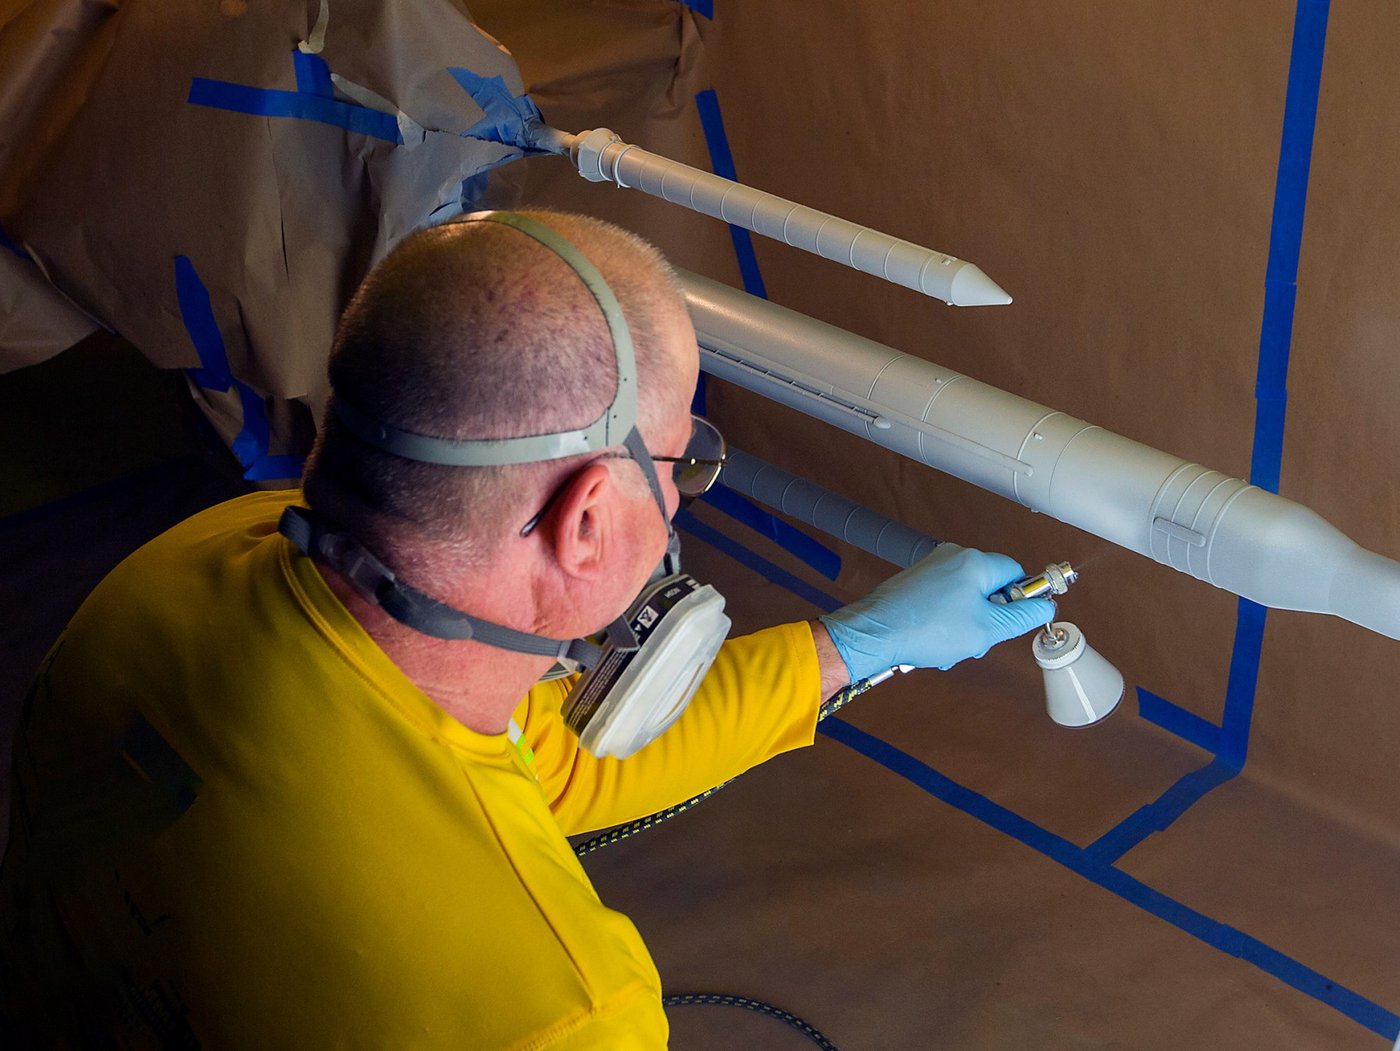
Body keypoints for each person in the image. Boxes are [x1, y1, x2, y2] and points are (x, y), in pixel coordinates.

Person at [0, 210, 1055, 1047]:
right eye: (680, 463)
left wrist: (851, 649)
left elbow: (552, 759)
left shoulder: (173, 571)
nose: (680, 500)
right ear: (586, 517)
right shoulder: (560, 1014)